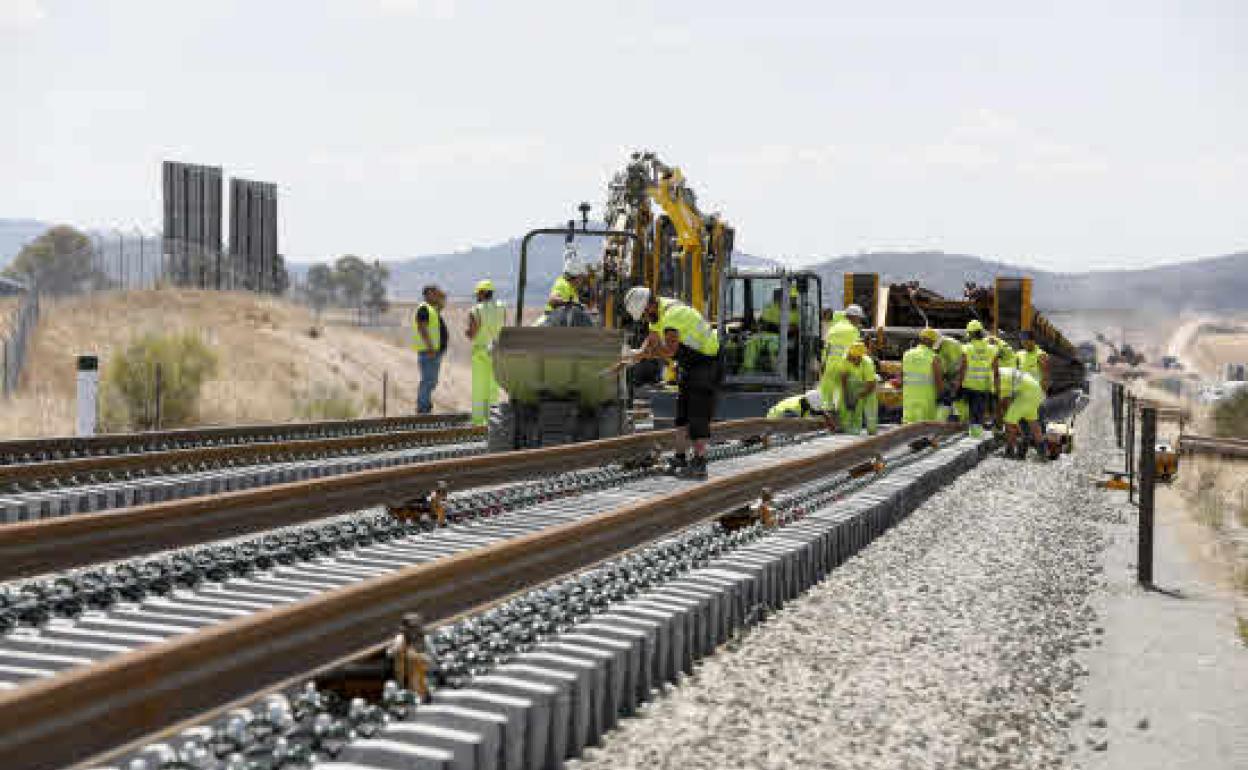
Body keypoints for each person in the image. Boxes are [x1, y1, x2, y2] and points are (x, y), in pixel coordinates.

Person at [620, 286, 721, 480]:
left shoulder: (673, 315)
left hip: (707, 362)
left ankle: (700, 464)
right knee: (682, 414)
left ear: (650, 305)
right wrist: (635, 354)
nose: (644, 319)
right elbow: (651, 340)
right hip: (690, 363)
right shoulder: (657, 314)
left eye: (644, 314)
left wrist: (645, 355)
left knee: (697, 414)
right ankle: (680, 457)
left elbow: (669, 351)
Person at [465, 279, 508, 426]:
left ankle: (478, 421)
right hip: (496, 350)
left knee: (479, 387)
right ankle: (492, 421)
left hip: (480, 351)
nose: (477, 297)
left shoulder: (476, 310)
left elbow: (473, 333)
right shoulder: (502, 307)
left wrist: (468, 332)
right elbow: (503, 327)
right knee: (493, 387)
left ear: (482, 293)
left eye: (478, 294)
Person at [957, 319, 999, 437]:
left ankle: (966, 432)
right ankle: (975, 436)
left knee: (965, 411)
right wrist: (996, 389)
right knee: (978, 413)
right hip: (983, 386)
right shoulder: (992, 349)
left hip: (968, 385)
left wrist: (958, 385)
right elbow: (995, 372)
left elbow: (962, 369)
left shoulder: (966, 348)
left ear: (970, 334)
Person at [820, 303, 865, 412]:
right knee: (842, 395)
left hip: (830, 365)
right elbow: (856, 353)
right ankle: (840, 418)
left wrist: (823, 363)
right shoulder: (853, 331)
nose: (859, 321)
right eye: (859, 319)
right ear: (854, 317)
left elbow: (827, 348)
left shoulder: (834, 327)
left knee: (827, 394)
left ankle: (826, 415)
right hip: (844, 367)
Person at [412, 284, 448, 414]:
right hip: (429, 352)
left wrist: (441, 294)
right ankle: (423, 409)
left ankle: (425, 407)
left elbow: (443, 301)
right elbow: (422, 328)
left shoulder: (432, 309)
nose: (437, 296)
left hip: (433, 352)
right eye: (434, 293)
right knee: (428, 381)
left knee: (431, 381)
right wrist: (431, 348)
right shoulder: (424, 309)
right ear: (427, 294)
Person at [996, 366, 1046, 460]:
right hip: (1036, 391)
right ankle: (1043, 453)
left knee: (1009, 422)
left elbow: (1002, 402)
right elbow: (1007, 400)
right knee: (1033, 423)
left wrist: (999, 419)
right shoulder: (999, 370)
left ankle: (1011, 450)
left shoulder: (993, 380)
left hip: (1027, 394)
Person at [536, 245, 589, 326]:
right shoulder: (562, 284)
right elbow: (552, 299)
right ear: (576, 276)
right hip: (551, 323)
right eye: (581, 278)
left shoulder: (572, 288)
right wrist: (569, 304)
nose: (582, 281)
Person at [902, 328, 943, 423]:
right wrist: (943, 395)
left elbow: (902, 375)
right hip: (926, 400)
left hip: (909, 399)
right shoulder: (933, 357)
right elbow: (939, 381)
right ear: (931, 341)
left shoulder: (907, 354)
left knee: (908, 428)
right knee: (924, 430)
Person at [838, 342, 879, 435]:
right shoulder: (845, 360)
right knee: (853, 409)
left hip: (868, 386)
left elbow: (871, 385)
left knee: (870, 408)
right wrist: (846, 396)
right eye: (851, 356)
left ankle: (872, 430)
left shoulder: (867, 363)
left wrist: (858, 397)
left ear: (860, 357)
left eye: (854, 358)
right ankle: (853, 430)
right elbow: (843, 379)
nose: (851, 359)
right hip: (854, 386)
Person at [766, 388, 837, 429]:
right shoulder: (796, 408)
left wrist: (828, 420)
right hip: (775, 418)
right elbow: (803, 423)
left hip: (779, 417)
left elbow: (820, 412)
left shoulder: (806, 400)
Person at [934, 333, 967, 422]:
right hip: (954, 376)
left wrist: (955, 381)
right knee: (951, 400)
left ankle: (960, 421)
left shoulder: (951, 345)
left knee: (954, 399)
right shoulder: (943, 346)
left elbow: (956, 365)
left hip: (958, 376)